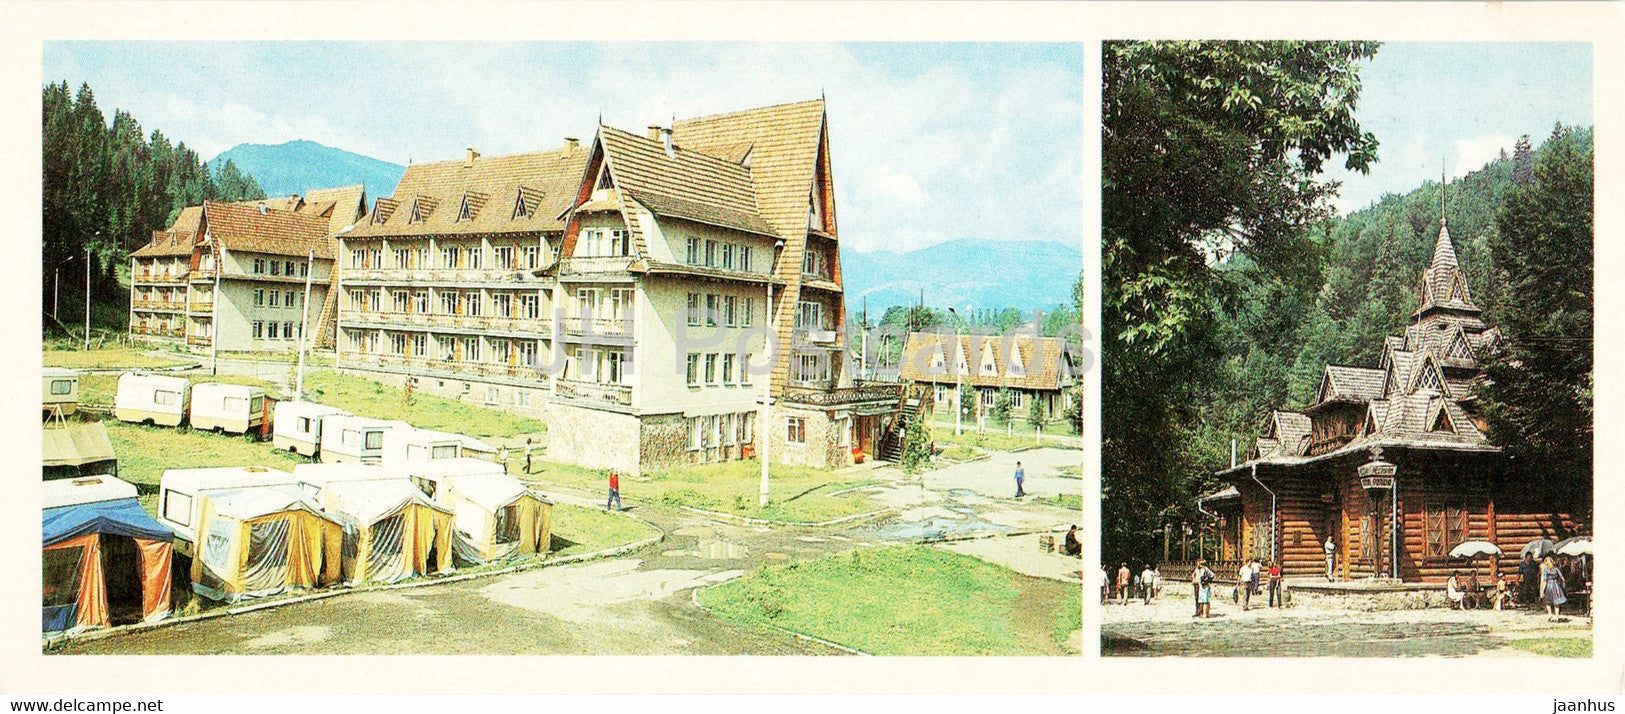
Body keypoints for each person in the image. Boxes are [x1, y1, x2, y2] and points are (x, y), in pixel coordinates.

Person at [1540, 555, 1567, 621]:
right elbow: (1562, 578)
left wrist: (1542, 591)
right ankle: (1557, 617)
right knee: (1556, 602)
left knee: (1548, 602)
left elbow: (1545, 581)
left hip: (1549, 586)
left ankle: (1550, 615)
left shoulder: (1546, 570)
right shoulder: (1556, 569)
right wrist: (1560, 584)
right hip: (1556, 585)